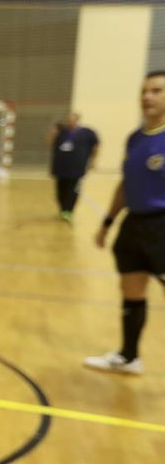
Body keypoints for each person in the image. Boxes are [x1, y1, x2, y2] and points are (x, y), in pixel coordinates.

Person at [85, 70, 165, 375]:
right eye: (144, 91)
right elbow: (126, 184)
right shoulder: (135, 138)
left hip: (162, 225)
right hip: (135, 225)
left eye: (157, 90)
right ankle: (129, 357)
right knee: (131, 290)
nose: (147, 97)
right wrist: (108, 222)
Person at [47, 111, 99, 222]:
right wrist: (52, 134)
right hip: (60, 168)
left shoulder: (87, 133)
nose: (70, 121)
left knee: (72, 190)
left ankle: (68, 211)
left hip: (76, 168)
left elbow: (96, 145)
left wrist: (93, 160)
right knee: (60, 191)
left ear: (77, 120)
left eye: (72, 119)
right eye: (68, 119)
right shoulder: (61, 132)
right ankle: (63, 210)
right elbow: (50, 143)